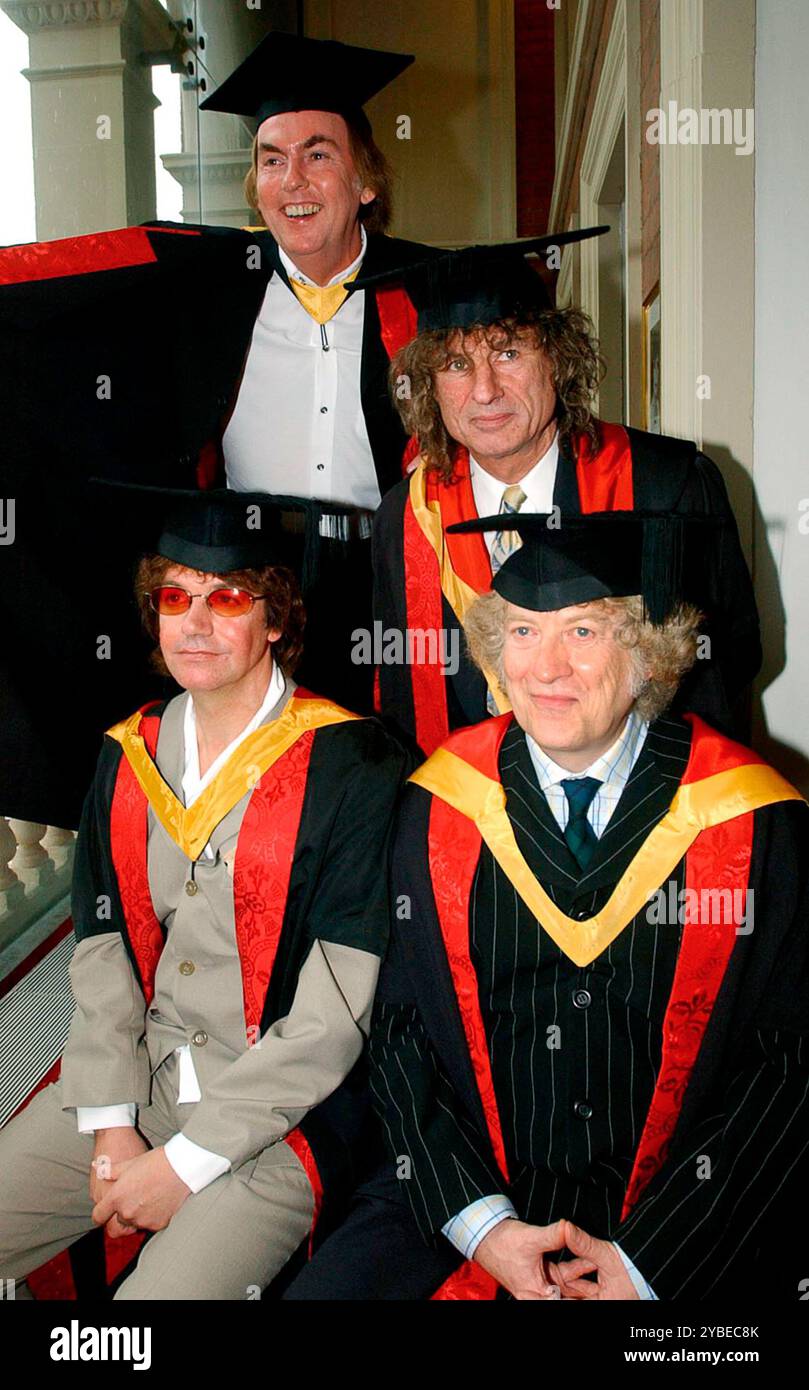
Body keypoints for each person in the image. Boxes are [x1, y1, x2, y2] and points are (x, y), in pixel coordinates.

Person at [284, 511, 808, 1301]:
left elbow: (790, 1069)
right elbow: (397, 1032)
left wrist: (645, 1264)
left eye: (585, 632)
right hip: (470, 1192)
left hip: (686, 1219)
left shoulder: (753, 823)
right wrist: (483, 1226)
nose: (546, 667)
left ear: (646, 653)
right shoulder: (437, 806)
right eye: (523, 632)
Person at [0, 32, 435, 827]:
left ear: (366, 178)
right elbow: (61, 282)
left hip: (385, 576)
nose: (292, 181)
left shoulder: (430, 291)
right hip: (250, 574)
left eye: (317, 155)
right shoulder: (205, 282)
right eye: (271, 159)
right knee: (253, 792)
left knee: (381, 784)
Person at [0, 488, 407, 1300]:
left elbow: (333, 1019)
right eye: (174, 598)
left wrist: (182, 1166)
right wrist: (110, 1118)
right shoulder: (128, 753)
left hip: (279, 1119)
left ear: (279, 619)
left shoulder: (356, 770)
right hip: (141, 1076)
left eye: (227, 599)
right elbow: (102, 950)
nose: (194, 622)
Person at [363, 241, 761, 755]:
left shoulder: (667, 485)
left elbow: (724, 661)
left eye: (508, 354)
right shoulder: (405, 517)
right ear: (428, 385)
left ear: (557, 358)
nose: (484, 391)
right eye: (457, 365)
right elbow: (398, 691)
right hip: (470, 810)